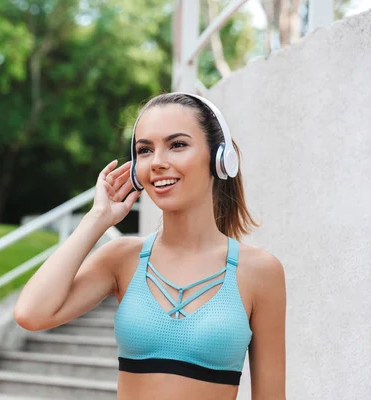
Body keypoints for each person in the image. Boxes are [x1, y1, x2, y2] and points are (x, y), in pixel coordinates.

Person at [14, 92, 286, 400]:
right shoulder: (122, 259)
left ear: (219, 157)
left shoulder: (260, 272)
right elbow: (31, 313)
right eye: (145, 150)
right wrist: (97, 219)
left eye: (177, 145)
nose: (157, 162)